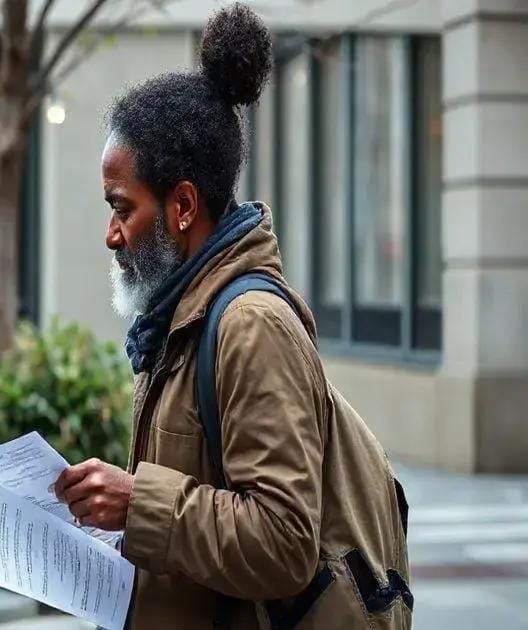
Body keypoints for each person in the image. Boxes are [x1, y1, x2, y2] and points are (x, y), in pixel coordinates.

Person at [52, 5, 411, 629]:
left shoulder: (250, 325)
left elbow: (284, 543)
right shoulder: (177, 319)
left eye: (122, 208)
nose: (111, 234)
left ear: (183, 205)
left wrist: (138, 505)